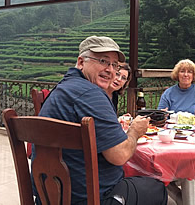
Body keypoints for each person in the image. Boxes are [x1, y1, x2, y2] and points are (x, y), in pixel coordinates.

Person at [33, 36, 168, 205]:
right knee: (158, 188)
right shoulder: (90, 93)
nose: (110, 70)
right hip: (92, 197)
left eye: (114, 65)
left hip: (50, 195)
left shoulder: (62, 88)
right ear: (81, 62)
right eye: (103, 61)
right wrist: (135, 131)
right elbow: (119, 156)